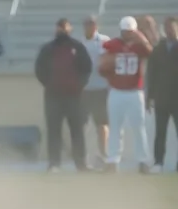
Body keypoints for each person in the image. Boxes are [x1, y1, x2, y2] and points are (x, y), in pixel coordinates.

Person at [34, 18, 92, 172]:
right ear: (56, 29)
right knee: (53, 130)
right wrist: (49, 84)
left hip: (74, 96)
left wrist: (79, 85)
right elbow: (39, 70)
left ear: (70, 29)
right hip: (53, 96)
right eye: (60, 27)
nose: (62, 30)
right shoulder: (48, 49)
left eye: (65, 27)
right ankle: (54, 163)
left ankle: (81, 163)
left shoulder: (78, 47)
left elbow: (87, 68)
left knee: (77, 130)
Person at [100, 16, 153, 174]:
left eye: (130, 32)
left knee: (139, 128)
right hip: (116, 91)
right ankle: (112, 161)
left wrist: (142, 39)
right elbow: (102, 66)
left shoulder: (140, 46)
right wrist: (107, 67)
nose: (127, 35)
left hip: (135, 91)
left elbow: (151, 52)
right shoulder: (112, 45)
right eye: (125, 32)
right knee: (115, 127)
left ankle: (143, 161)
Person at [148, 17, 178, 171]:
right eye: (167, 28)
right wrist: (149, 97)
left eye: (172, 28)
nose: (169, 30)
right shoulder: (159, 49)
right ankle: (158, 162)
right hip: (161, 98)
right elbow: (151, 74)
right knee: (160, 133)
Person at [80, 16, 111, 166]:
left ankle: (104, 154)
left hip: (101, 88)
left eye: (92, 24)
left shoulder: (105, 41)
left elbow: (111, 61)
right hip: (84, 89)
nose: (90, 27)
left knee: (102, 124)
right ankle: (83, 155)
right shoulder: (79, 43)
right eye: (87, 24)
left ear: (96, 25)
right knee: (82, 124)